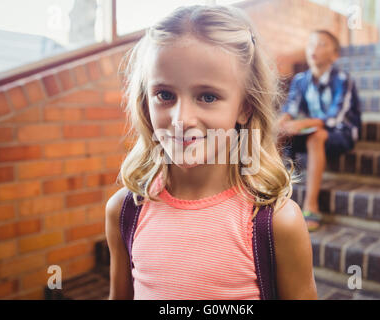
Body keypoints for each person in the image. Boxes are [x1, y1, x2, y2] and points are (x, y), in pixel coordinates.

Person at [105, 5, 317, 300]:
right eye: (164, 95)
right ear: (145, 101)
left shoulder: (277, 224)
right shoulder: (125, 211)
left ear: (245, 107)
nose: (181, 120)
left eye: (207, 97)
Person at [278, 30, 361, 232]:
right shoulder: (300, 80)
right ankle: (273, 193)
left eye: (322, 44)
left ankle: (311, 205)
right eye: (311, 43)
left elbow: (334, 118)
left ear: (335, 55)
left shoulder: (343, 79)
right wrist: (280, 124)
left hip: (340, 133)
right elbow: (291, 108)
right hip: (310, 130)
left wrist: (301, 124)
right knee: (277, 131)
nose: (314, 48)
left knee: (316, 136)